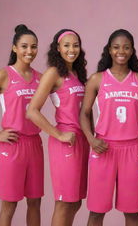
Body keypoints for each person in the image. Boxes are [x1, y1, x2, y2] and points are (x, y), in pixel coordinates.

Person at [80, 29, 138, 226]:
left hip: (131, 149)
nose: (121, 51)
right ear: (109, 50)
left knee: (132, 213)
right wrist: (91, 139)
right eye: (117, 47)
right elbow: (84, 114)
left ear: (132, 51)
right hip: (104, 148)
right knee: (96, 212)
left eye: (126, 47)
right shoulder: (97, 79)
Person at [27, 29, 89, 226]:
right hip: (65, 143)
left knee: (76, 202)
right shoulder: (53, 73)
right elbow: (32, 111)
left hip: (82, 141)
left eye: (75, 45)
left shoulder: (78, 73)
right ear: (58, 48)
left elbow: (86, 112)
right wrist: (59, 134)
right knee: (64, 203)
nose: (72, 49)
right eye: (67, 45)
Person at [0, 24, 44, 226]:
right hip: (12, 145)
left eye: (33, 47)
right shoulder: (3, 75)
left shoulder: (40, 78)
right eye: (24, 46)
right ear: (14, 48)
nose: (29, 51)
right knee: (10, 205)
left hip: (34, 144)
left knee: (35, 203)